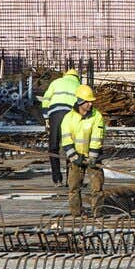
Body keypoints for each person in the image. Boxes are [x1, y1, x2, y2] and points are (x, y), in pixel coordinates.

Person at [59, 84, 106, 217]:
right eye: (88, 101)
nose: (91, 104)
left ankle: (97, 213)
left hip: (94, 157)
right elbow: (66, 140)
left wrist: (92, 158)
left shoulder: (97, 116)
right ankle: (76, 213)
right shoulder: (68, 118)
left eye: (91, 101)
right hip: (76, 157)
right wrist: (74, 157)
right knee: (74, 187)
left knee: (97, 187)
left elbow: (97, 138)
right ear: (80, 101)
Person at [39, 69, 82, 185]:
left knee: (53, 147)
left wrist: (46, 118)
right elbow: (81, 105)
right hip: (70, 114)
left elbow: (46, 99)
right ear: (76, 77)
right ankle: (71, 179)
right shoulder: (78, 85)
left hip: (55, 114)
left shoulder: (56, 82)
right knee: (70, 148)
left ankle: (57, 179)